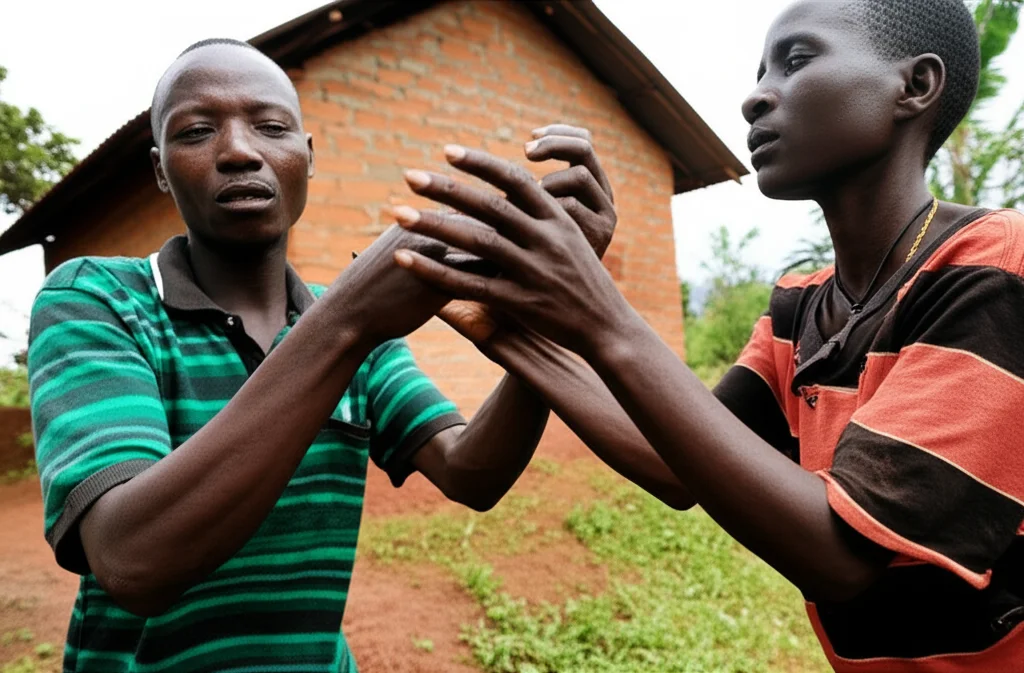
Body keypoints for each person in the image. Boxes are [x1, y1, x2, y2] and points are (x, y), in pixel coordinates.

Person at [391, 0, 1024, 670]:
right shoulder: (800, 306)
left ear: (915, 86)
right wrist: (515, 327)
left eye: (797, 60)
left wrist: (596, 310)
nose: (755, 97)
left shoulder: (993, 268)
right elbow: (675, 462)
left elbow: (842, 557)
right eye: (759, 72)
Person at [26, 38, 635, 672]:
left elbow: (471, 472)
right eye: (197, 131)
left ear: (308, 157)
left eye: (271, 127)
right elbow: (132, 559)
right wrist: (345, 322)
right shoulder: (97, 300)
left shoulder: (355, 326)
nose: (238, 151)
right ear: (160, 169)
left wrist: (547, 309)